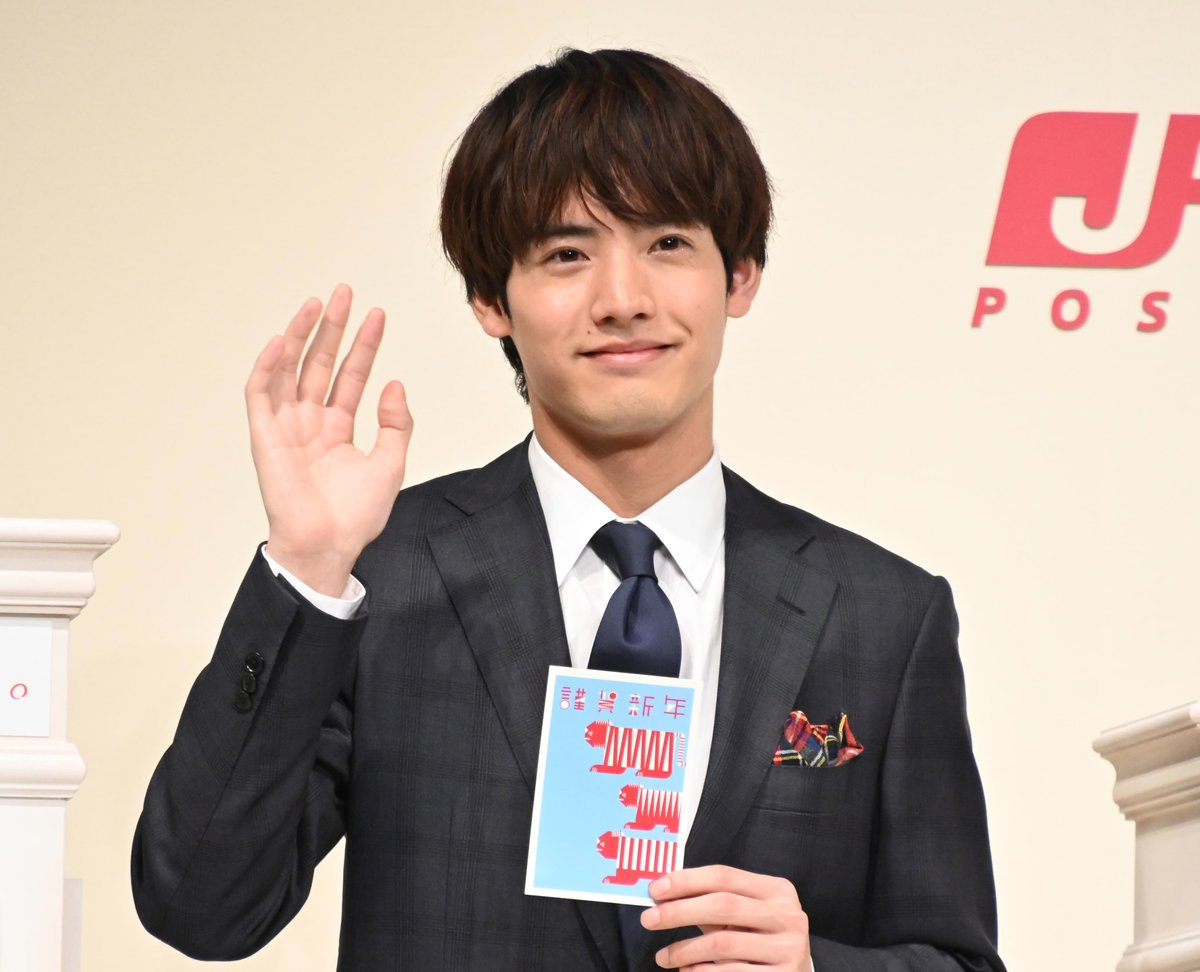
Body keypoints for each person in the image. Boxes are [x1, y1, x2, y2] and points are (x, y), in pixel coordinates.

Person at [132, 48, 1005, 972]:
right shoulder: (383, 577)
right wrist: (307, 572)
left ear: (741, 273)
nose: (623, 301)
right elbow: (200, 908)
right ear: (489, 299)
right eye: (567, 255)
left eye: (668, 244)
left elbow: (960, 959)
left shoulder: (881, 614)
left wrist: (818, 968)